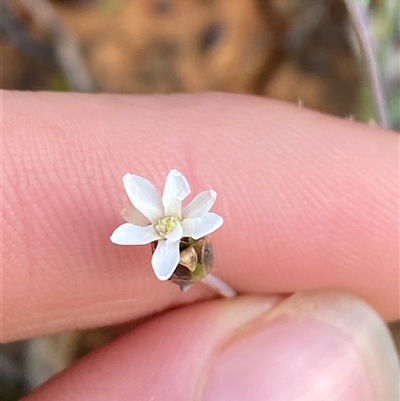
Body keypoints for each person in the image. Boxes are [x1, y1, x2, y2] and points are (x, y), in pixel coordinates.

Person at [2, 91, 399, 400]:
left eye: (170, 226)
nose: (168, 226)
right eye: (166, 227)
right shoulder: (169, 242)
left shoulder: (185, 233)